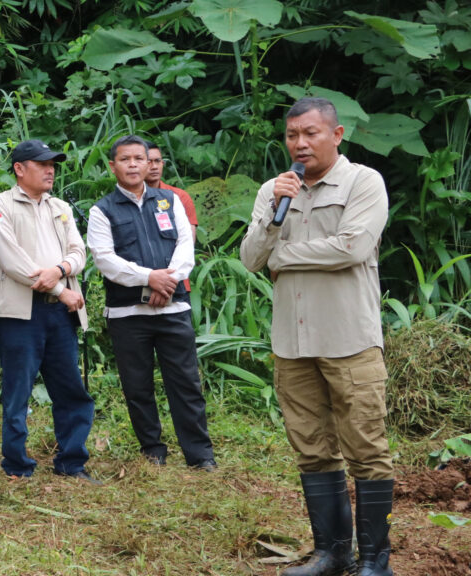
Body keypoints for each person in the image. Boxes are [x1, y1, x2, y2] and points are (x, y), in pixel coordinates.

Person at [240, 97, 393, 576]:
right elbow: (250, 258)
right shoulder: (273, 190)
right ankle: (332, 554)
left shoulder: (363, 182)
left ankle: (376, 561)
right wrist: (273, 215)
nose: (300, 143)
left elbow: (352, 247)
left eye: (310, 133)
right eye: (292, 135)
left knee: (366, 448)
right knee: (311, 447)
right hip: (293, 343)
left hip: (349, 340)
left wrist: (283, 257)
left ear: (336, 134)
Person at [86, 135, 216, 471]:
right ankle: (153, 451)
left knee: (186, 383)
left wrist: (166, 282)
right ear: (112, 165)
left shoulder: (170, 201)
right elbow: (105, 260)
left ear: (149, 163)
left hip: (174, 309)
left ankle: (200, 455)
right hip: (128, 314)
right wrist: (149, 278)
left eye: (139, 158)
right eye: (125, 159)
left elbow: (185, 246)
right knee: (137, 386)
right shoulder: (102, 210)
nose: (132, 165)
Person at [0, 139, 96, 483]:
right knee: (18, 391)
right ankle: (17, 465)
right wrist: (61, 289)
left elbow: (79, 251)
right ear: (19, 168)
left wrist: (60, 269)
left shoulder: (59, 206)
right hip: (20, 314)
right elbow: (13, 261)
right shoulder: (0, 204)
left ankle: (72, 461)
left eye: (53, 165)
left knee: (70, 388)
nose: (50, 170)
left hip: (60, 315)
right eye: (43, 164)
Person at [143, 140, 198, 242]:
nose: (154, 167)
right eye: (148, 162)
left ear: (163, 163)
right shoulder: (128, 197)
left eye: (157, 161)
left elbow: (189, 240)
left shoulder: (179, 196)